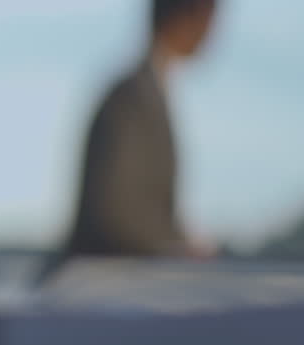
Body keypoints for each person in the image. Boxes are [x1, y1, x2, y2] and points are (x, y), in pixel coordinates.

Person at [63, 0, 219, 259]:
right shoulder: (131, 98)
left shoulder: (145, 91)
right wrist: (177, 247)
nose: (211, 34)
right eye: (209, 20)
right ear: (187, 16)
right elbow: (112, 214)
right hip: (109, 279)